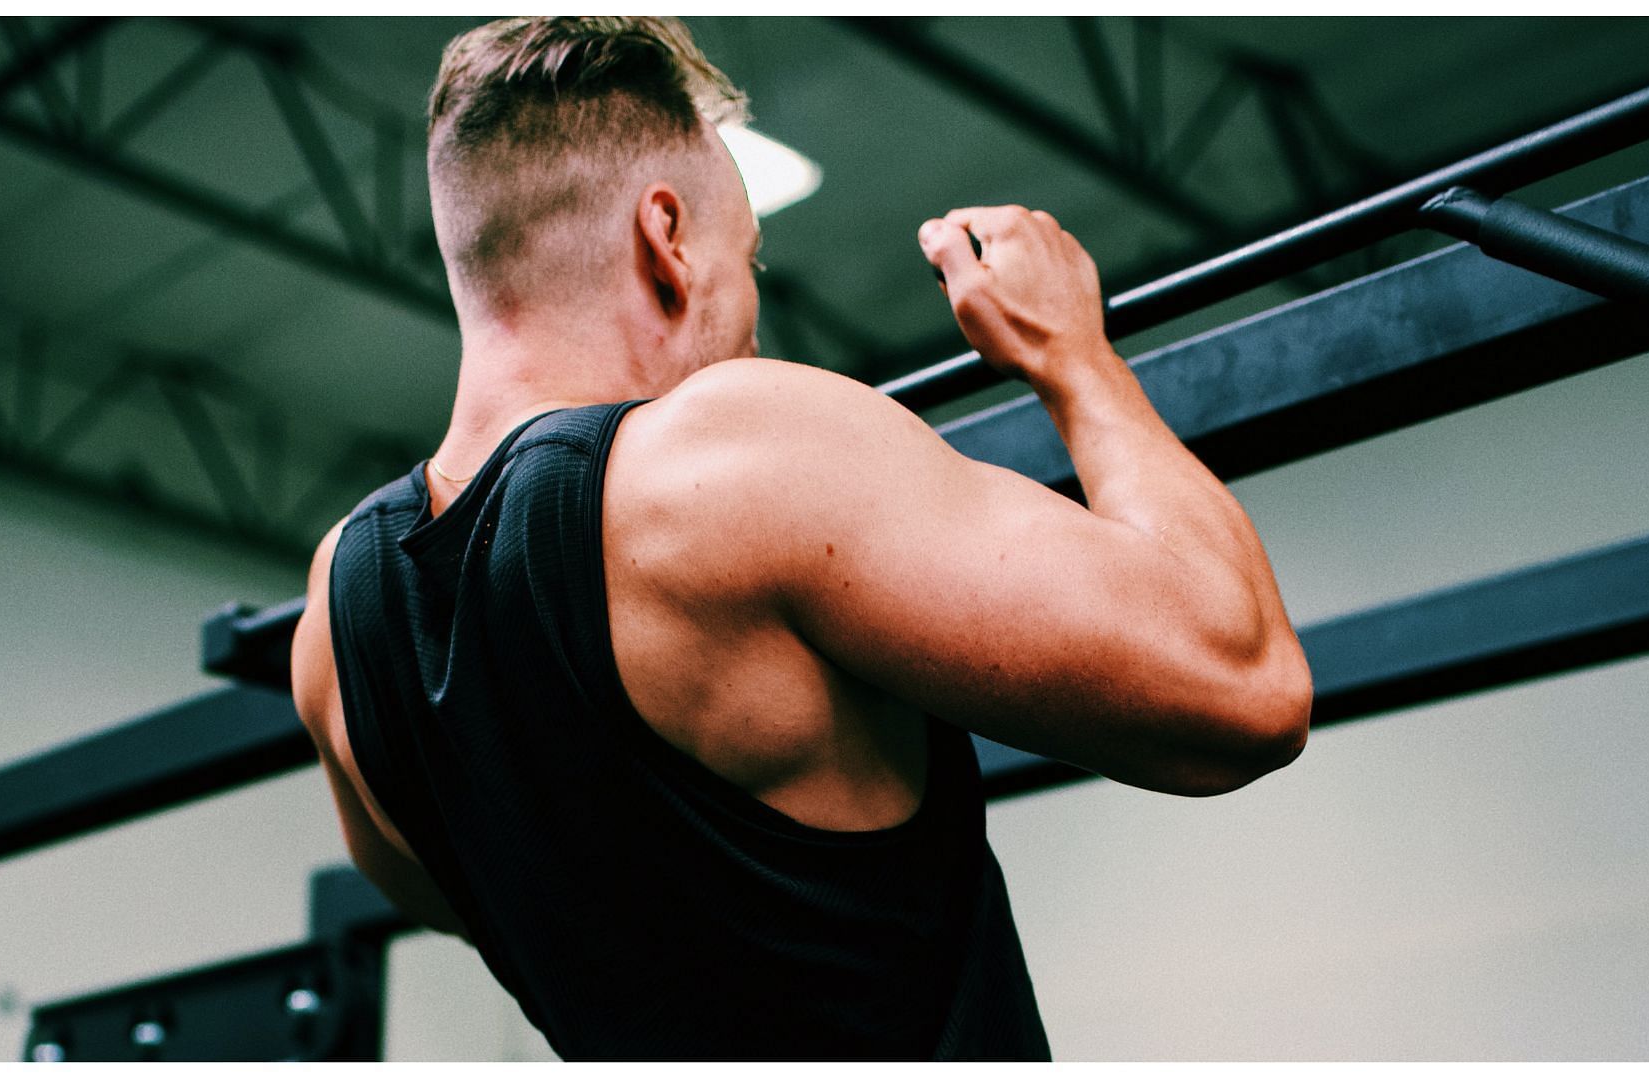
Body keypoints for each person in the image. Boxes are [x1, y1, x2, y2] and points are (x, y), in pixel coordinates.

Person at [288, 16, 1311, 1061]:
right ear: (667, 239)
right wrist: (1074, 355)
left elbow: (454, 893)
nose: (754, 322)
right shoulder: (726, 445)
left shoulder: (337, 619)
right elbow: (1247, 683)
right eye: (752, 262)